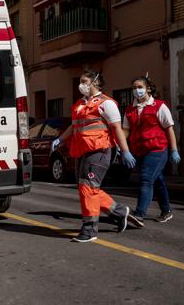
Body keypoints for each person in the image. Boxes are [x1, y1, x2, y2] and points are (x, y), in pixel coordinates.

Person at [52, 70, 139, 243]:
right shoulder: (80, 103)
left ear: (95, 83)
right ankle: (120, 212)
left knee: (88, 188)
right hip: (83, 151)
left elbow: (116, 128)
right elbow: (74, 126)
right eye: (81, 81)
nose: (81, 85)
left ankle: (90, 229)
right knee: (87, 189)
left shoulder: (106, 103)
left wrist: (126, 151)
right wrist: (60, 139)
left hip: (100, 150)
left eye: (85, 81)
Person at [122, 75, 180, 227]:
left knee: (146, 179)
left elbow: (169, 129)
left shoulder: (159, 106)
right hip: (139, 150)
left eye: (140, 87)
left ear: (148, 88)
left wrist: (174, 149)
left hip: (157, 149)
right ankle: (166, 211)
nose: (137, 90)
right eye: (134, 88)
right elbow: (126, 131)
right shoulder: (130, 109)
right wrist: (122, 149)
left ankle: (139, 215)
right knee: (157, 180)